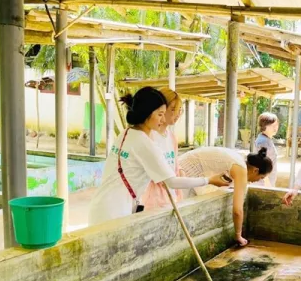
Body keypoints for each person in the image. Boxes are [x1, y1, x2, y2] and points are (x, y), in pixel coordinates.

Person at [88, 87, 229, 226]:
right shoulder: (145, 143)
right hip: (115, 212)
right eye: (160, 114)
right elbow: (172, 182)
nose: (163, 119)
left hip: (102, 206)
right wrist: (208, 180)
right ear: (148, 113)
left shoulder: (126, 133)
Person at [178, 146, 273, 247]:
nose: (259, 180)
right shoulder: (241, 170)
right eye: (261, 177)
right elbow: (237, 211)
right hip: (184, 170)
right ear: (255, 170)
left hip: (186, 166)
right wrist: (238, 235)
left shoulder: (240, 163)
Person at [142, 88, 184, 209]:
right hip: (151, 201)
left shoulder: (172, 137)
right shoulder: (148, 136)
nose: (177, 114)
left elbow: (174, 167)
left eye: (179, 110)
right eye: (173, 110)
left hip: (171, 198)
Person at [254, 112, 279, 187]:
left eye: (276, 125)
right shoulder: (263, 142)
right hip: (263, 184)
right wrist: (267, 184)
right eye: (272, 125)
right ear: (264, 126)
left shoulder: (266, 139)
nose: (275, 128)